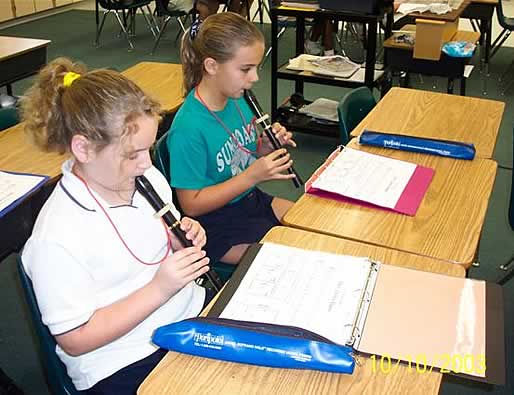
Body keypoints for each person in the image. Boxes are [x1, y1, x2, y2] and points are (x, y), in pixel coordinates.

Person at [21, 57, 211, 394]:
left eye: (149, 148)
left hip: (185, 315)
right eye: (133, 153)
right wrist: (159, 288)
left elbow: (147, 249)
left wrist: (181, 238)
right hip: (122, 359)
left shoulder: (144, 177)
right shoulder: (57, 237)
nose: (147, 163)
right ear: (83, 149)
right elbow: (76, 340)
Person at [167, 12, 296, 265]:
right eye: (245, 69)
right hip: (214, 226)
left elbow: (238, 154)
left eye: (256, 68)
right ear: (212, 66)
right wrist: (252, 175)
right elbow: (190, 205)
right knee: (287, 257)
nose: (255, 78)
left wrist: (264, 148)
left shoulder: (238, 99)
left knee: (310, 224)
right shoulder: (188, 128)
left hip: (249, 200)